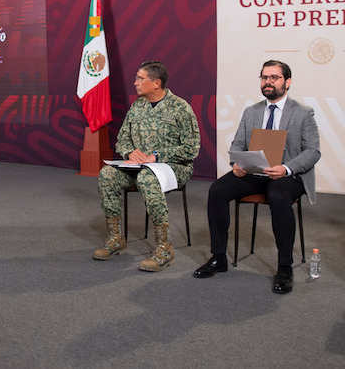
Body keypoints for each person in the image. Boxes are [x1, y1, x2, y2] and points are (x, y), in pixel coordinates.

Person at [193, 60, 320, 294]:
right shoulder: (251, 111)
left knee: (278, 196)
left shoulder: (303, 113)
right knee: (217, 190)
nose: (268, 82)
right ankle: (218, 257)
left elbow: (313, 151)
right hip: (254, 172)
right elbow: (239, 143)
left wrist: (286, 168)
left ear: (287, 82)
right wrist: (237, 163)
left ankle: (284, 267)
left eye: (274, 77)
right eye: (264, 77)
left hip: (287, 175)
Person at [93, 61, 201, 271]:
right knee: (107, 174)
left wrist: (157, 156)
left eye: (140, 79)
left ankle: (164, 248)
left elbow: (191, 149)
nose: (135, 83)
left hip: (173, 167)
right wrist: (129, 152)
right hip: (138, 167)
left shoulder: (180, 107)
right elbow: (122, 140)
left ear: (156, 83)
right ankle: (115, 238)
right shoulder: (137, 106)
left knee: (147, 179)